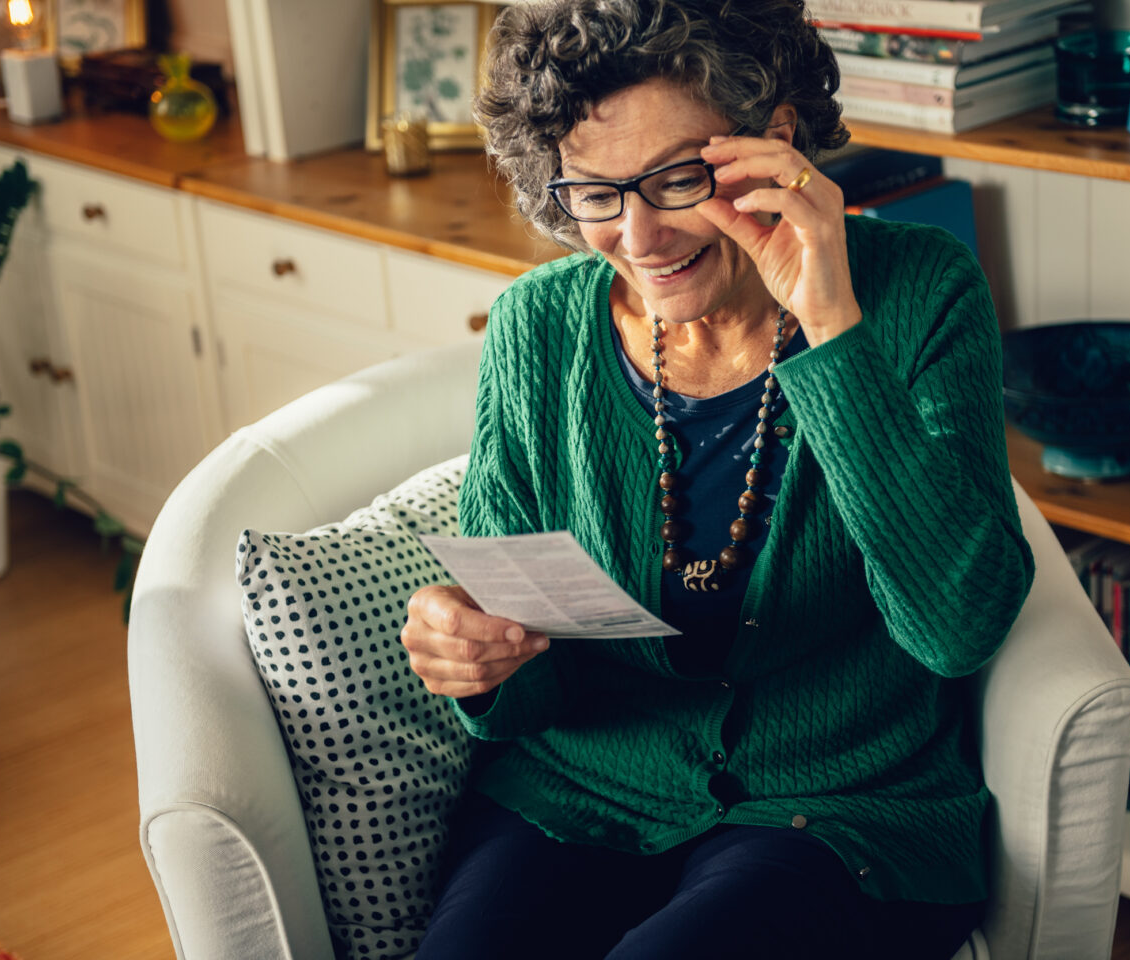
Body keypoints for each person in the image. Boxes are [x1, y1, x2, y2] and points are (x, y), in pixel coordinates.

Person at [399, 1, 1036, 956]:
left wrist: (829, 324)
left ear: (774, 139)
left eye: (677, 178)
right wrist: (481, 663)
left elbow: (958, 629)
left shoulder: (922, 291)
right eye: (597, 195)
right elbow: (528, 698)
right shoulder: (537, 328)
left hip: (835, 810)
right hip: (581, 793)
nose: (642, 238)